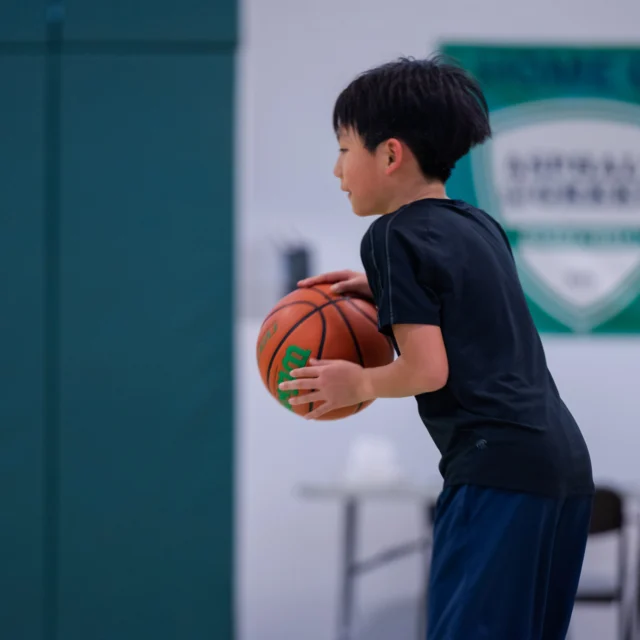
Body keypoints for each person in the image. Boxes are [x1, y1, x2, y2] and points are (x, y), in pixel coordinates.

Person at [277, 56, 594, 639]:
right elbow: (469, 307)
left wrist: (361, 381)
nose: (337, 168)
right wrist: (390, 294)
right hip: (564, 465)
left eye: (345, 150)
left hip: (496, 468)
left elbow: (427, 367)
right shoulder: (478, 224)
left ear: (390, 154)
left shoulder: (392, 235)